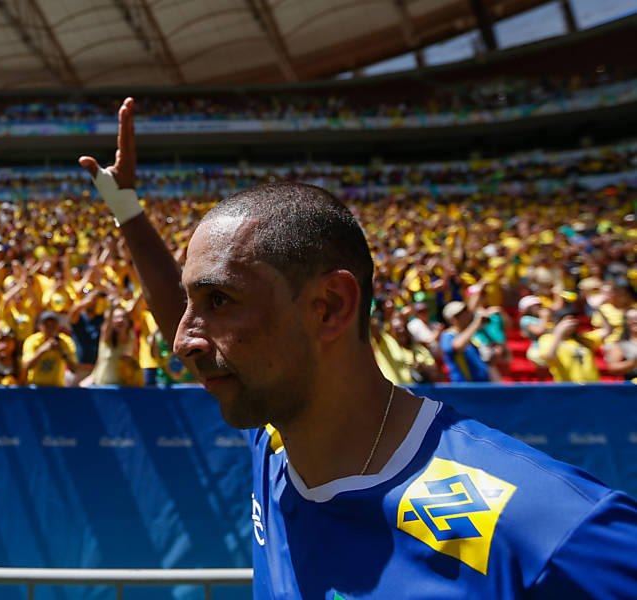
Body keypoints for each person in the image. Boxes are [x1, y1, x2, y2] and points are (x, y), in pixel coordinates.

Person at [79, 97, 637, 598]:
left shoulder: (540, 532)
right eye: (191, 305)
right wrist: (126, 208)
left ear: (329, 307)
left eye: (220, 300)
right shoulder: (276, 443)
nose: (181, 342)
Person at [439, 301, 494, 382]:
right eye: (461, 314)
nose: (467, 315)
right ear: (453, 319)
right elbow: (457, 346)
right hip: (464, 386)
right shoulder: (447, 335)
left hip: (482, 383)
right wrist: (476, 324)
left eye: (466, 311)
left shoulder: (471, 334)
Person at [22, 310, 77, 386]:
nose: (50, 328)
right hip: (35, 387)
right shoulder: (32, 341)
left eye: (53, 324)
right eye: (46, 325)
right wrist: (42, 350)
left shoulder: (66, 341)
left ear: (58, 326)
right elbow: (26, 366)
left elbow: (74, 369)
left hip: (56, 387)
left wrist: (61, 352)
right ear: (39, 326)